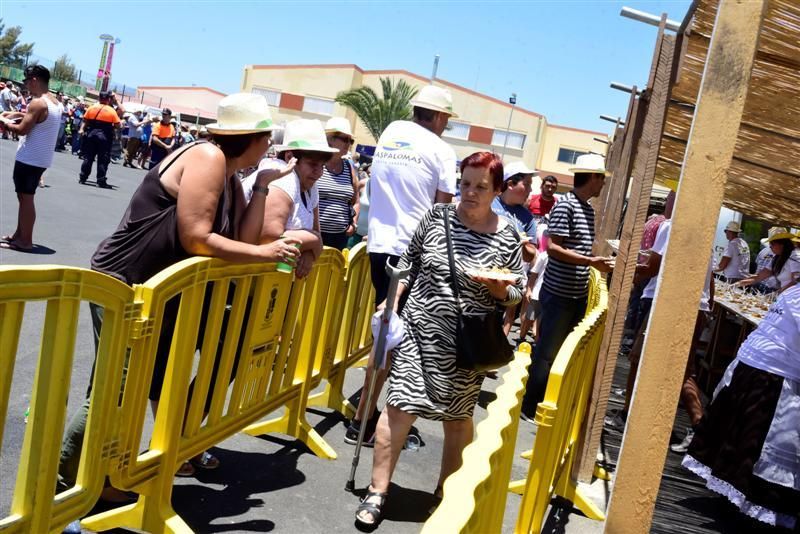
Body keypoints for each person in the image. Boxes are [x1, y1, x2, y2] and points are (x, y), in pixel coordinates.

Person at [58, 93, 300, 500]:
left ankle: (99, 479)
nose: (271, 147)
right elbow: (198, 237)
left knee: (126, 386)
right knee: (116, 389)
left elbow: (238, 238)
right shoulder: (208, 158)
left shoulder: (230, 175)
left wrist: (260, 188)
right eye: (268, 137)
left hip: (151, 292)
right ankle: (65, 484)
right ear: (253, 137)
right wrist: (264, 253)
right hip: (126, 283)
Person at [354, 152, 524, 529]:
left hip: (467, 343)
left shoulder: (508, 235)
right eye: (465, 184)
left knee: (458, 419)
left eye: (481, 186)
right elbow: (409, 262)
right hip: (419, 331)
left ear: (497, 190)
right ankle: (377, 490)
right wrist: (392, 298)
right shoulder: (436, 217)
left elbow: (518, 295)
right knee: (398, 406)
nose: (470, 193)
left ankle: (444, 495)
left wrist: (500, 292)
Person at [347, 84, 458, 446]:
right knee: (397, 336)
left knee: (387, 329)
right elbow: (442, 209)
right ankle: (366, 418)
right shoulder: (441, 149)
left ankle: (366, 406)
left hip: (379, 244)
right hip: (413, 251)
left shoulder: (392, 132)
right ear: (440, 117)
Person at [681, 284, 800, 530]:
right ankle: (745, 507)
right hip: (771, 373)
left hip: (756, 365)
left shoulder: (793, 291)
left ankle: (733, 500)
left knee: (742, 438)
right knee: (755, 443)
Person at [520, 153, 614, 420]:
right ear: (593, 178)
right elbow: (553, 247)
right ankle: (530, 405)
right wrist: (590, 261)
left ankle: (540, 401)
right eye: (601, 179)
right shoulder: (567, 206)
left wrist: (591, 261)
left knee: (558, 351)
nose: (603, 184)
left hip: (574, 293)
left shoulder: (585, 207)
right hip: (559, 293)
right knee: (547, 352)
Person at [260, 119, 336, 277]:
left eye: (322, 165)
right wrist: (313, 241)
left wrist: (309, 252)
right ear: (289, 157)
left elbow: (316, 232)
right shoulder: (282, 179)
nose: (319, 172)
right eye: (312, 164)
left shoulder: (310, 187)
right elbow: (268, 240)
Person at [0, 65, 62, 252]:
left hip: (30, 158)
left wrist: (3, 122)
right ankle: (20, 235)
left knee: (26, 198)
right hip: (41, 158)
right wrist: (17, 115)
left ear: (34, 80)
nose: (26, 85)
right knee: (24, 197)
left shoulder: (38, 103)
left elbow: (22, 130)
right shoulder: (55, 102)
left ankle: (25, 240)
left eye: (27, 81)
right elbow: (39, 119)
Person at [491, 160, 538, 337]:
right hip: (480, 277)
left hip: (508, 281)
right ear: (510, 184)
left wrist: (524, 245)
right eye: (526, 185)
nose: (530, 190)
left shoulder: (527, 218)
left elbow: (530, 255)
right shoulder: (489, 203)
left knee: (498, 321)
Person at [317, 117, 359, 250]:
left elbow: (356, 201)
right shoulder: (316, 163)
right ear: (330, 139)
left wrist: (354, 223)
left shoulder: (349, 167)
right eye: (344, 139)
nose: (348, 144)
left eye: (350, 140)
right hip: (314, 235)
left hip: (340, 237)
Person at [78, 91, 120, 188]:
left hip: (91, 134)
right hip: (104, 137)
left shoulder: (91, 108)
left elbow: (85, 120)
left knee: (88, 157)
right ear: (108, 99)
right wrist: (116, 130)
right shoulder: (111, 111)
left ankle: (83, 177)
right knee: (103, 159)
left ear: (99, 98)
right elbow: (118, 125)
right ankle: (101, 180)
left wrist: (81, 129)